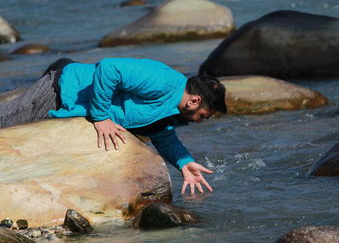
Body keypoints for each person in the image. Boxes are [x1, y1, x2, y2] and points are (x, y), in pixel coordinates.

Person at [0, 57, 227, 195]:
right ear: (194, 101)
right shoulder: (163, 82)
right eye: (204, 116)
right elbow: (111, 68)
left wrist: (184, 163)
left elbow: (163, 135)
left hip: (69, 110)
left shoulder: (172, 109)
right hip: (60, 91)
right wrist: (100, 117)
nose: (201, 121)